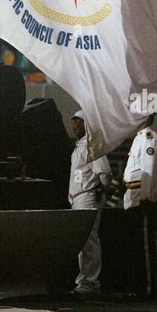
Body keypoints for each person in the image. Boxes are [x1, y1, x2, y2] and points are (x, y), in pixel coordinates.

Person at [68, 111, 111, 295]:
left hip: (87, 196)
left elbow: (105, 173)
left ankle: (91, 282)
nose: (75, 126)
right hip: (78, 197)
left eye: (79, 122)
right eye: (74, 122)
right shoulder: (79, 146)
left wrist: (101, 190)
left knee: (89, 240)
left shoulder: (93, 145)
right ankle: (83, 280)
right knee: (81, 241)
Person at [123, 116, 157, 299]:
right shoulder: (139, 137)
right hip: (134, 198)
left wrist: (147, 198)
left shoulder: (149, 137)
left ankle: (147, 289)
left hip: (142, 200)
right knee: (137, 246)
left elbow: (150, 170)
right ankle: (138, 287)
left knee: (145, 247)